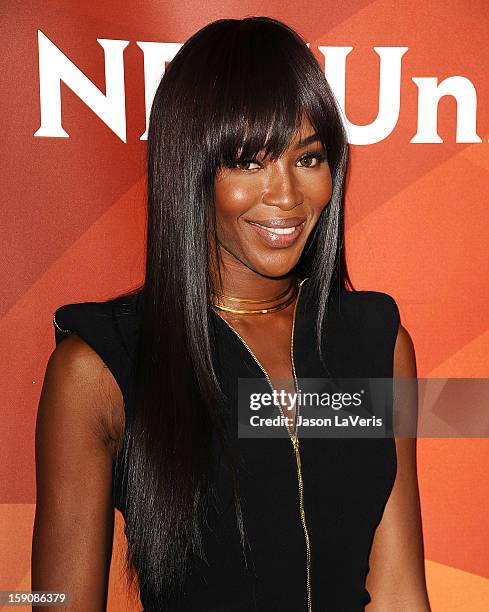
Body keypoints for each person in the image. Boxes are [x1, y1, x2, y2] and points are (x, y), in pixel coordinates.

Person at [32, 16, 431, 612]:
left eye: (309, 157)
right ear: (190, 171)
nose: (288, 196)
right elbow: (56, 601)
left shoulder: (375, 344)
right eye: (249, 162)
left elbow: (399, 592)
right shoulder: (99, 371)